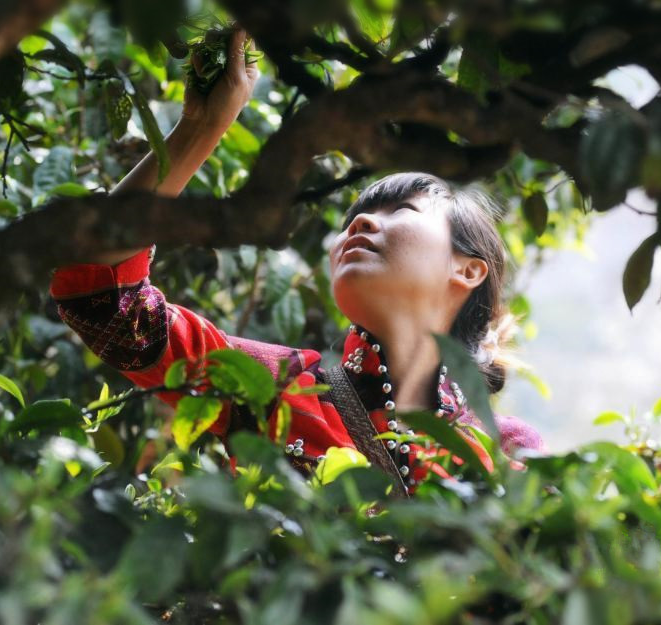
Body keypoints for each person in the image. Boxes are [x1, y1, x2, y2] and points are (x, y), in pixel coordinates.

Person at [48, 26, 545, 495]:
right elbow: (103, 301)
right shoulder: (272, 383)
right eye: (357, 216)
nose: (363, 224)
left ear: (468, 269)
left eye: (402, 210)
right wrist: (199, 129)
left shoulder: (505, 451)